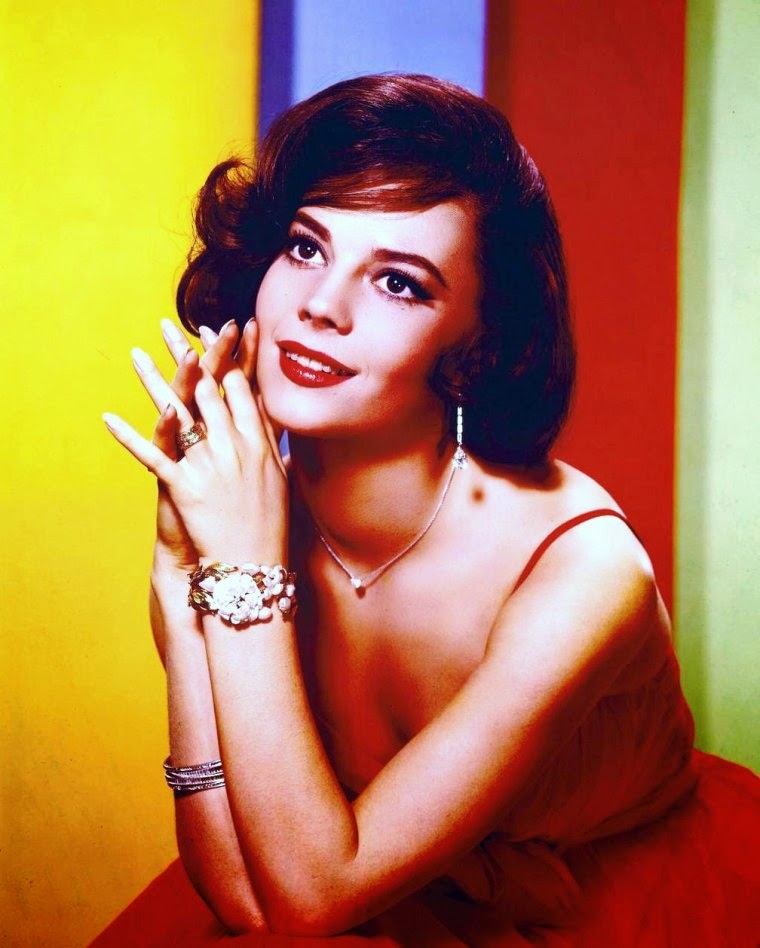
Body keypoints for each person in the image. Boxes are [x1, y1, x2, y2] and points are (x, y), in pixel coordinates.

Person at [95, 74, 759, 946]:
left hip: (627, 910)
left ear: (478, 340)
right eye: (305, 247)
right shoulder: (236, 524)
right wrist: (180, 574)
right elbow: (248, 905)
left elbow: (309, 901)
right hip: (333, 885)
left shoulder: (586, 573)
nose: (322, 307)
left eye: (398, 283)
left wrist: (244, 575)